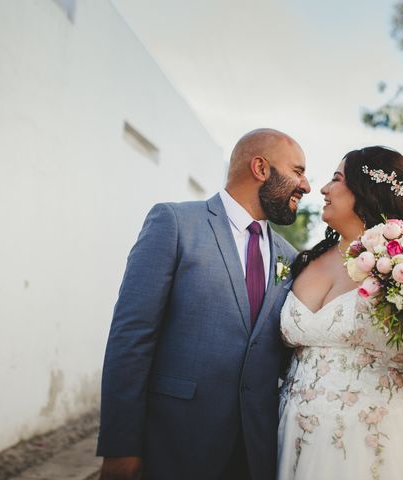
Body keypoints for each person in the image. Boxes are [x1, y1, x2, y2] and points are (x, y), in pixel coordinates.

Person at [97, 128, 311, 480]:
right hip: (175, 443)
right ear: (260, 168)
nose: (305, 186)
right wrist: (121, 446)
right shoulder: (175, 223)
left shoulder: (289, 258)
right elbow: (130, 338)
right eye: (298, 171)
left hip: (255, 453)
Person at [277, 146, 403, 480]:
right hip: (297, 433)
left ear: (367, 190)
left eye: (337, 178)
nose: (323, 188)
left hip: (379, 440)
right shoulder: (304, 262)